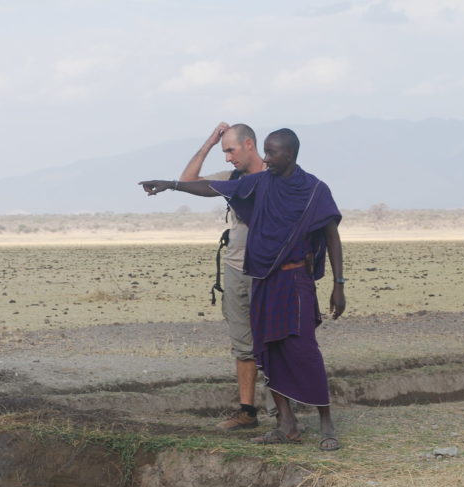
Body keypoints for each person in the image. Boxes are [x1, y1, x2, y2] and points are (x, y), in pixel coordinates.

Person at [139, 128, 345, 451]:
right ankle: (287, 423)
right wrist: (172, 185)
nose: (266, 158)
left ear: (289, 155)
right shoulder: (260, 183)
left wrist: (339, 285)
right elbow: (214, 187)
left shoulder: (315, 190)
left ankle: (326, 422)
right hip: (264, 280)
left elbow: (332, 236)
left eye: (272, 153)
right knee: (269, 352)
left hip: (295, 281)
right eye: (265, 151)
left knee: (305, 352)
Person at [175, 122, 276, 431]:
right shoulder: (230, 179)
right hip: (234, 269)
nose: (228, 158)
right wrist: (209, 141)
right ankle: (247, 411)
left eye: (230, 150)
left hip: (268, 270)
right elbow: (187, 181)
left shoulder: (276, 176)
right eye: (224, 151)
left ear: (249, 144)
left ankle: (281, 416)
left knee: (273, 342)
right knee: (243, 344)